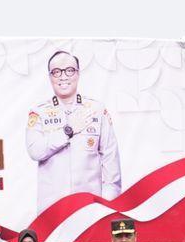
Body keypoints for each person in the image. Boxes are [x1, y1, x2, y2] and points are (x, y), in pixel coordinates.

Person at [25, 50, 122, 212]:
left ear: (78, 73)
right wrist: (67, 131)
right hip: (52, 209)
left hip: (91, 207)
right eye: (56, 72)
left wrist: (106, 206)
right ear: (50, 77)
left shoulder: (96, 110)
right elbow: (35, 151)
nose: (63, 77)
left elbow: (111, 162)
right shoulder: (39, 112)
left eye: (69, 70)